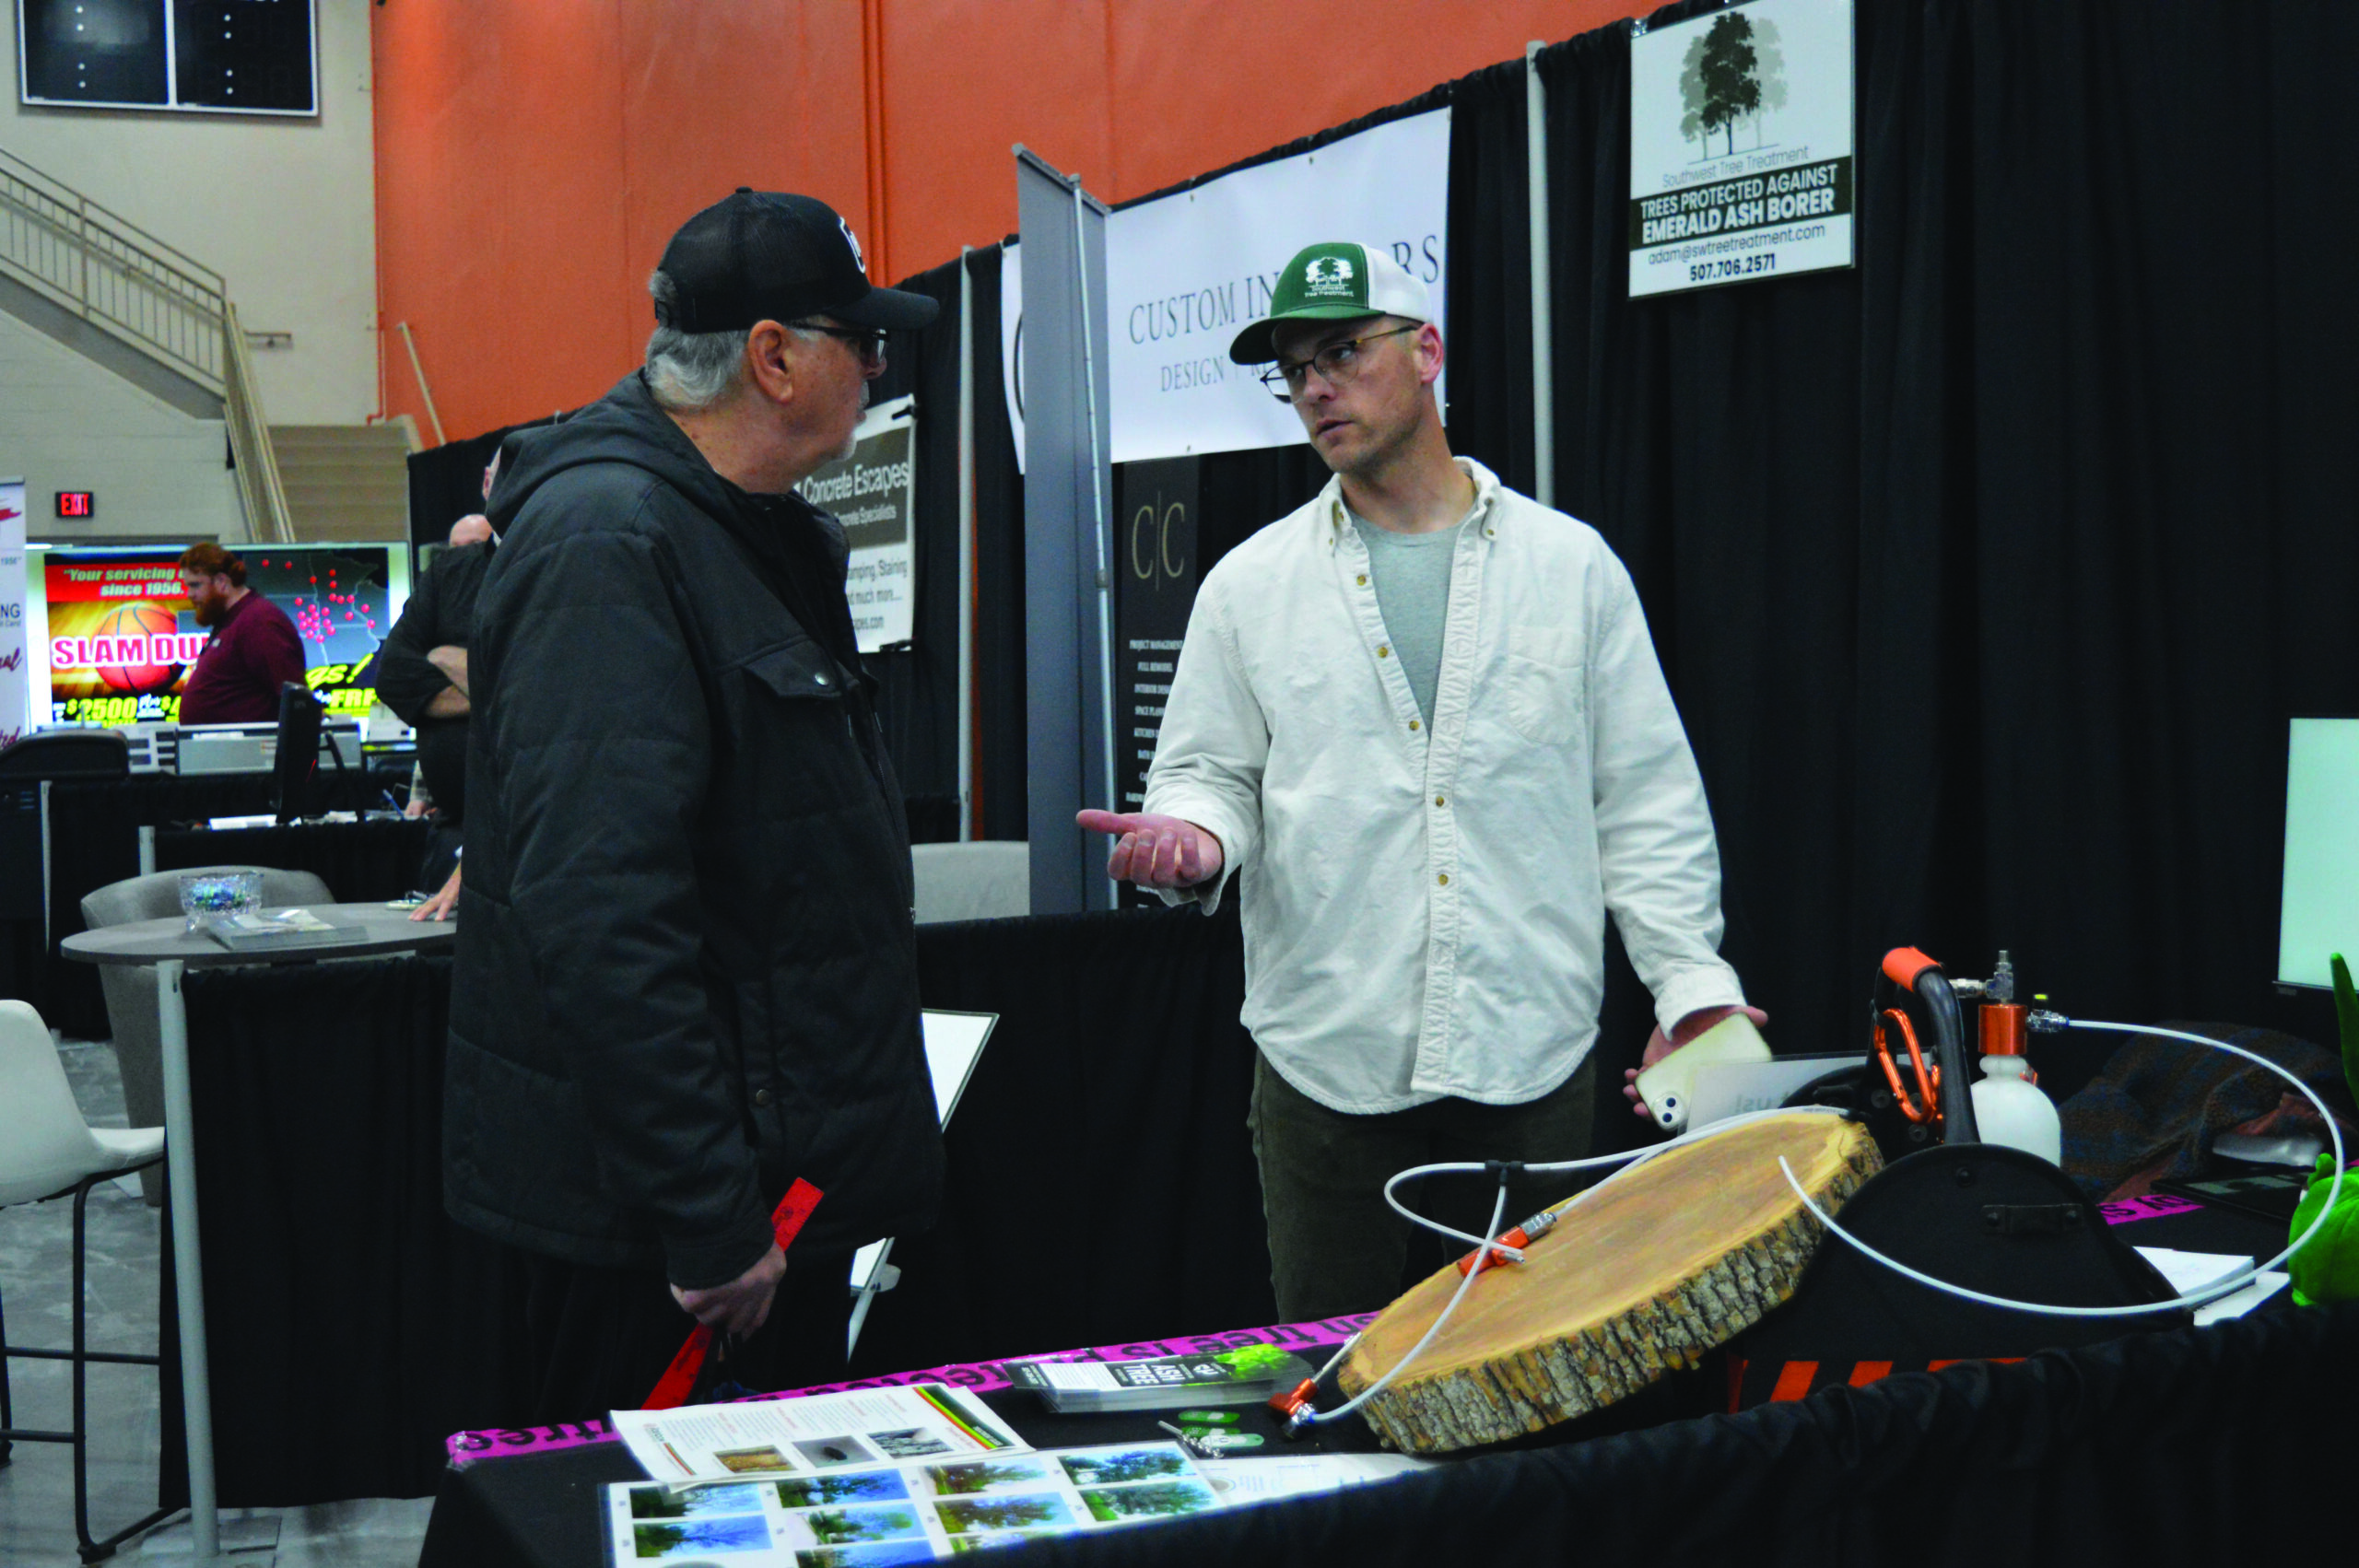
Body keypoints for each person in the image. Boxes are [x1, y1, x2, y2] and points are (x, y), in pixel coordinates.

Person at [1080, 241, 1764, 1321]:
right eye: (1294, 369)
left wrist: (1689, 986)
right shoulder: (1249, 585)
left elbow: (1643, 800)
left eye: (1343, 351)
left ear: (1426, 352)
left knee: (1529, 1370)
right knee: (1337, 1370)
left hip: (1528, 1053)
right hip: (1325, 1061)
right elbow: (1206, 773)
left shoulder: (1569, 568)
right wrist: (1197, 837)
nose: (1315, 386)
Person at [442, 188, 944, 1418]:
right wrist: (709, 1213)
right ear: (774, 357)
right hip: (668, 1246)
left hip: (763, 1192)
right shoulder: (607, 543)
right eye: (861, 341)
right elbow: (602, 915)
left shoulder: (743, 530)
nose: (879, 369)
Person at [377, 487, 499, 894]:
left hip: (509, 822)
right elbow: (394, 678)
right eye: (454, 549)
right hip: (450, 824)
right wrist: (494, 691)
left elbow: (535, 690)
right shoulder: (441, 586)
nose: (462, 559)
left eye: (475, 547)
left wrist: (442, 657)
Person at [174, 542, 306, 725]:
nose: (190, 594)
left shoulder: (259, 621)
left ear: (222, 581)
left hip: (250, 744)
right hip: (222, 742)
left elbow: (298, 700)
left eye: (196, 585)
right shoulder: (232, 620)